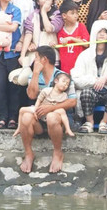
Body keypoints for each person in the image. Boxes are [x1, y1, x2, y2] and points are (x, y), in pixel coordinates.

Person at [17, 46, 76, 175]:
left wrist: (52, 108)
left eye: (36, 58)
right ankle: (28, 154)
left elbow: (72, 101)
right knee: (26, 117)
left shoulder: (63, 77)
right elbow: (32, 96)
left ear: (44, 59)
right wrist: (36, 74)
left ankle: (57, 153)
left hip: (59, 118)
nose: (34, 60)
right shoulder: (34, 75)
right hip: (40, 118)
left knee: (52, 117)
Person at [72, 19, 107, 133]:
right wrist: (94, 80)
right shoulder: (84, 55)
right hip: (91, 90)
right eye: (99, 31)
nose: (101, 34)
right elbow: (76, 78)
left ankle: (104, 123)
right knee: (85, 93)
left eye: (105, 32)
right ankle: (89, 122)